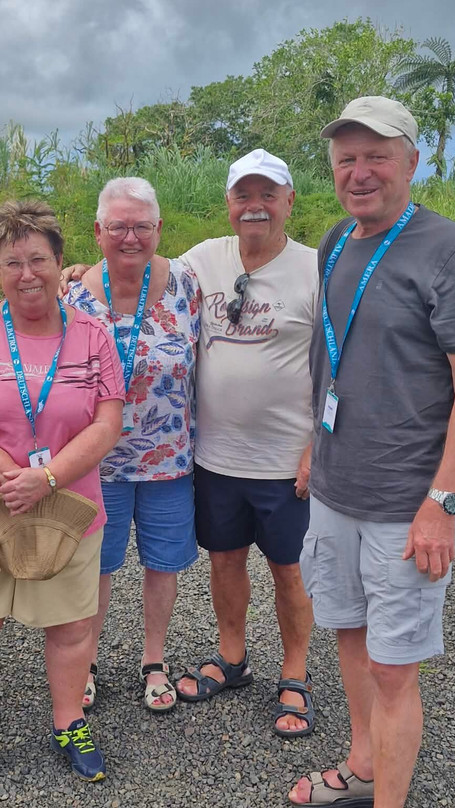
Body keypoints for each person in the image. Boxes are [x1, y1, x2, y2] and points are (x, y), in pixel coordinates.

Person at [288, 97, 455, 808]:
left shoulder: (450, 252)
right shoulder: (335, 242)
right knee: (347, 632)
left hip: (404, 505)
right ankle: (363, 766)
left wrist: (443, 505)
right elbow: (334, 359)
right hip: (335, 490)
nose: (360, 171)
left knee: (393, 667)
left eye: (377, 155)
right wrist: (314, 446)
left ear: (412, 160)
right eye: (346, 158)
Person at [0, 200, 124, 799]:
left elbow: (107, 423)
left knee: (68, 629)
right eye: (13, 262)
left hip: (65, 514)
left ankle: (69, 722)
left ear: (61, 262)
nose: (27, 273)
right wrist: (10, 472)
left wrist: (48, 478)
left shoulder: (92, 337)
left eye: (39, 258)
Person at [172, 149, 319, 738]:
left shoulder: (318, 267)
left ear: (288, 201)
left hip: (287, 461)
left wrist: (320, 447)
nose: (254, 206)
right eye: (243, 195)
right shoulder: (205, 259)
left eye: (267, 195)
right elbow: (148, 277)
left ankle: (296, 673)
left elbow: (344, 362)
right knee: (225, 560)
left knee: (290, 571)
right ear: (229, 203)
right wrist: (81, 272)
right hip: (216, 457)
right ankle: (232, 659)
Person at [62, 177, 200, 713]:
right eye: (118, 226)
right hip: (95, 463)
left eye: (142, 226)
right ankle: (87, 660)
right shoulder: (71, 293)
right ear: (98, 232)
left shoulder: (186, 283)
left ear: (158, 229)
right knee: (96, 566)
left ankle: (154, 660)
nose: (130, 237)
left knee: (162, 564)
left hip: (169, 458)